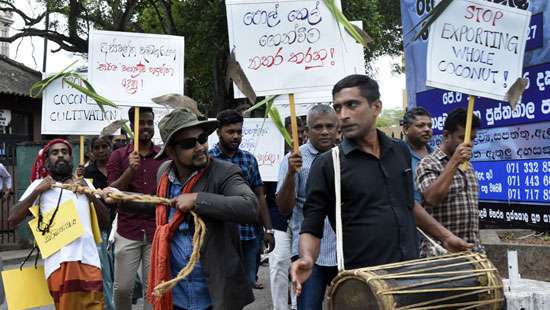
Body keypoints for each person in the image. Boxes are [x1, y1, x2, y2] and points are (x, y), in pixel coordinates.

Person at [291, 75, 472, 294]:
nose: (343, 115)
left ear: (376, 107)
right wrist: (308, 258)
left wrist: (445, 237)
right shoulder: (328, 164)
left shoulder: (400, 151)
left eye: (352, 105)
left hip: (410, 273)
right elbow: (312, 222)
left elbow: (408, 204)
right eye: (338, 108)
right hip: (364, 283)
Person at [104, 107, 259, 309]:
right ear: (170, 151)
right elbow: (159, 206)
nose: (200, 147)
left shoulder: (224, 172)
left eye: (202, 138)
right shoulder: (164, 172)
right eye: (188, 143)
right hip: (174, 293)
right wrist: (120, 196)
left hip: (214, 296)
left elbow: (250, 206)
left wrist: (197, 199)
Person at [8, 139, 110, 309]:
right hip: (58, 263)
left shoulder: (86, 185)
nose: (61, 155)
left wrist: (88, 192)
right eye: (55, 153)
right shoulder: (38, 186)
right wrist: (37, 191)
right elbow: (12, 219)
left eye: (65, 151)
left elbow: (105, 222)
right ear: (47, 161)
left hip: (89, 261)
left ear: (71, 157)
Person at [277, 105, 339, 310]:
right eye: (318, 127)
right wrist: (291, 175)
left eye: (330, 126)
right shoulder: (293, 160)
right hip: (308, 254)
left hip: (345, 252)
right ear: (306, 130)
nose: (324, 131)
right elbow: (284, 209)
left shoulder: (347, 156)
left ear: (338, 128)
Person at [107, 107, 166, 310]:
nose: (147, 127)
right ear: (132, 126)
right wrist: (130, 171)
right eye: (142, 123)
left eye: (150, 122)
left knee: (154, 289)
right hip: (127, 231)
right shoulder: (118, 156)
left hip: (156, 231)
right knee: (122, 289)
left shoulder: (163, 156)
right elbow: (111, 195)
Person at [209, 109, 275, 289]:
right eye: (230, 132)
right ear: (218, 132)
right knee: (221, 287)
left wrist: (268, 229)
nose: (236, 136)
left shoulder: (249, 160)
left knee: (245, 287)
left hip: (248, 234)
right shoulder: (208, 159)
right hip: (219, 235)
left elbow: (259, 195)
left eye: (239, 131)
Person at [416, 108, 484, 253]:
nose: (469, 144)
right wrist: (453, 162)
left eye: (472, 139)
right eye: (462, 138)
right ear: (447, 135)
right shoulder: (428, 163)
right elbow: (431, 198)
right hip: (442, 254)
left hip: (472, 251)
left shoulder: (468, 166)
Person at [402, 107, 433, 203]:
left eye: (430, 125)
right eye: (420, 126)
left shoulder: (437, 156)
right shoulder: (398, 156)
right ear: (406, 129)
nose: (427, 129)